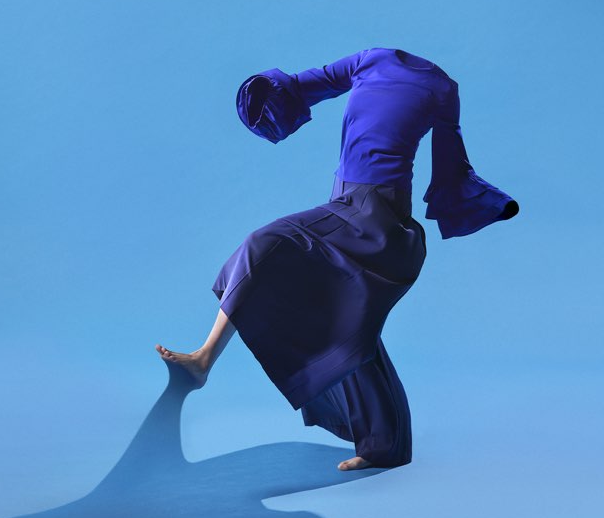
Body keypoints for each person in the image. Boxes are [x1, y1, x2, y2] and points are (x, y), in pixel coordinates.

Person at [156, 47, 519, 472]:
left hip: (379, 219)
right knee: (349, 325)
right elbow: (301, 86)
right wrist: (261, 100)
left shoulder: (442, 87)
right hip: (343, 204)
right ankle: (385, 445)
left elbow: (452, 164)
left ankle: (204, 359)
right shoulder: (371, 59)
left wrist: (489, 204)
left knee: (264, 246)